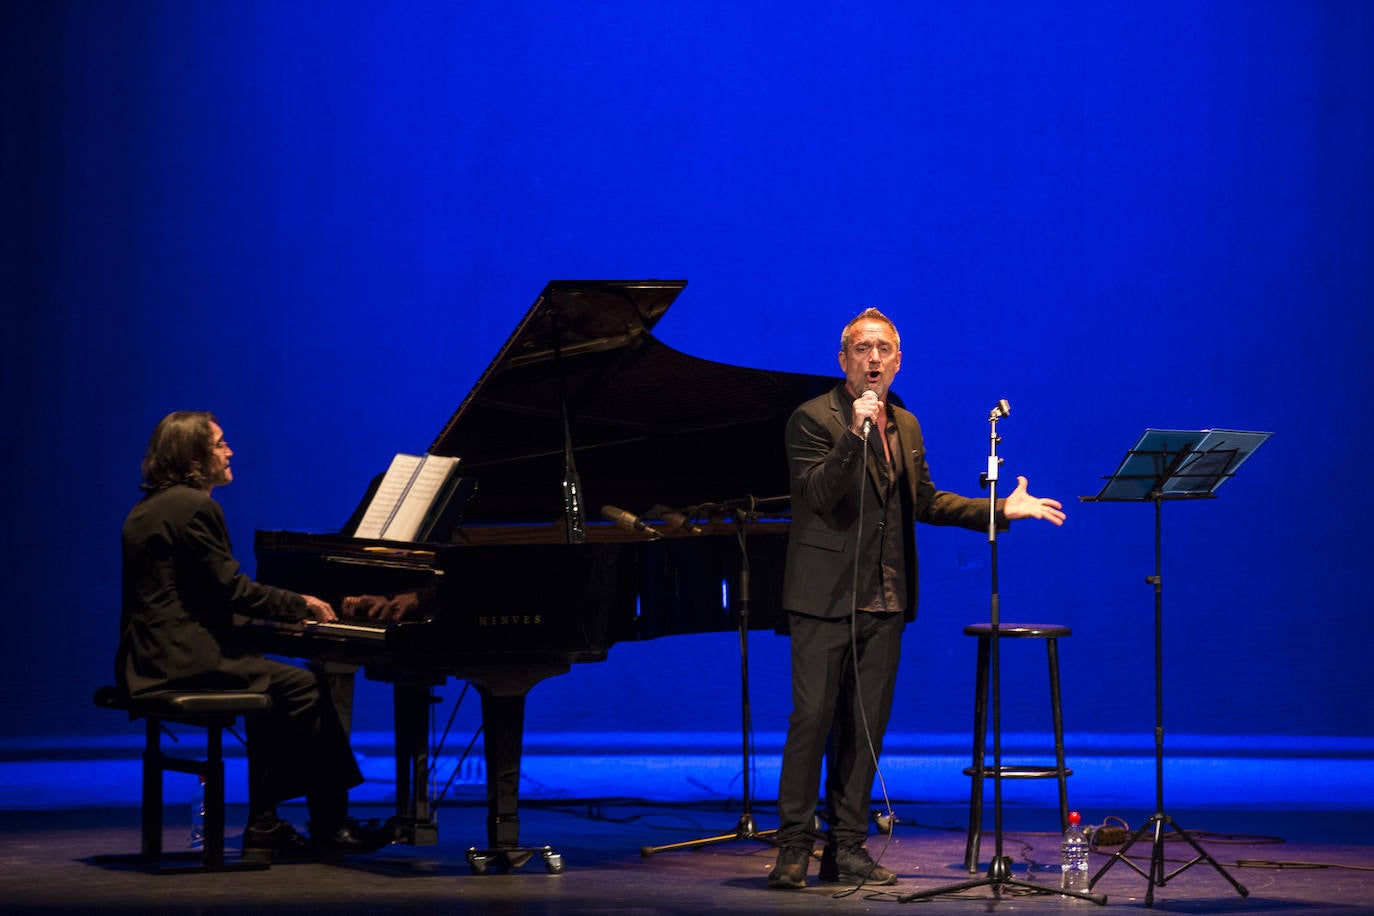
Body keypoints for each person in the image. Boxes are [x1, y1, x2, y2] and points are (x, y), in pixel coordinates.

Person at [767, 309, 1066, 889]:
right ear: (843, 360)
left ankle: (847, 848)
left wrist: (998, 509)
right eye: (861, 348)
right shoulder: (811, 419)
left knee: (864, 729)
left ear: (898, 360)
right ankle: (793, 849)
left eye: (883, 349)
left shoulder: (906, 424)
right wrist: (856, 432)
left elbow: (925, 501)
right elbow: (820, 494)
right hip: (821, 599)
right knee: (811, 721)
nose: (873, 358)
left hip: (885, 597)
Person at [117, 410, 388, 864]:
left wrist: (265, 623)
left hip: (150, 657)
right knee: (302, 686)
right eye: (219, 443)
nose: (230, 451)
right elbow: (232, 591)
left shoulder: (149, 508)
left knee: (278, 683)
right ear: (192, 456)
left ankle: (267, 824)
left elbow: (198, 597)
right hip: (181, 660)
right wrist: (300, 604)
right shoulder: (196, 506)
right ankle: (328, 825)